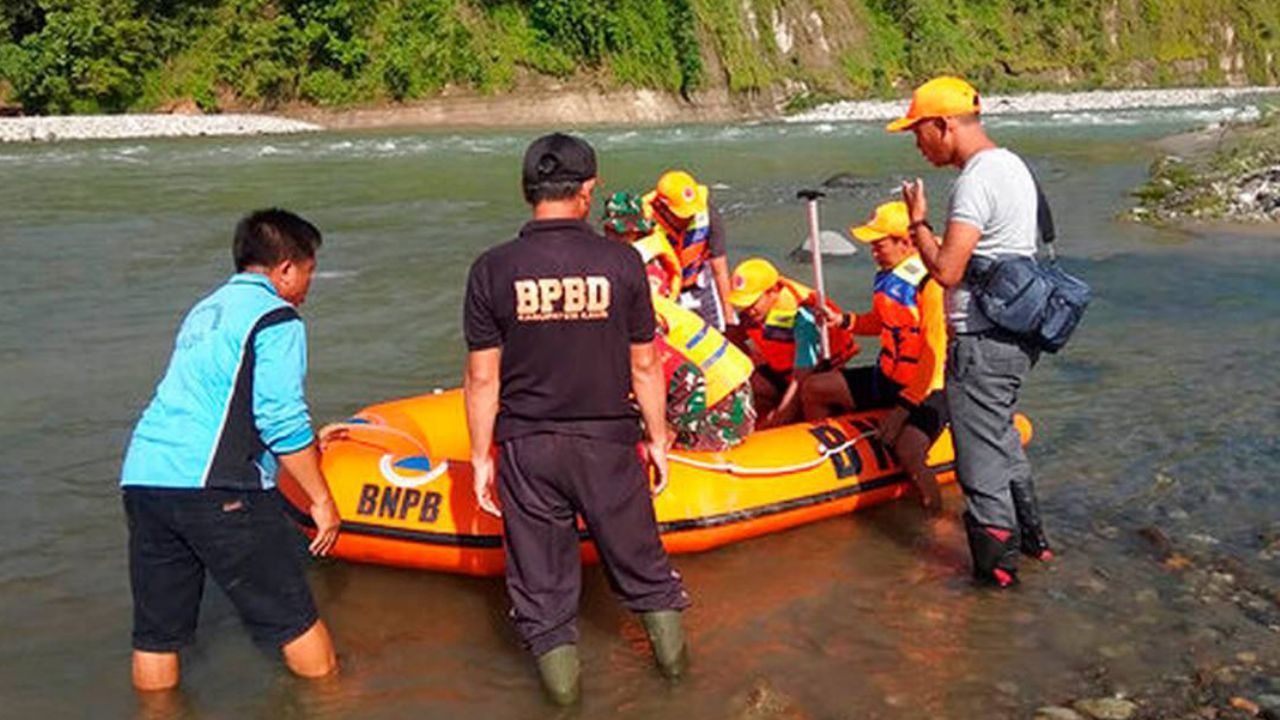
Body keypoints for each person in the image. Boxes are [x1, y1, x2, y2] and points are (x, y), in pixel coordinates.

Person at [463, 134, 690, 706]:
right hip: (607, 443)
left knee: (542, 594)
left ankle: (565, 706)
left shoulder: (492, 269)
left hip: (527, 446)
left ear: (526, 190)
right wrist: (658, 439)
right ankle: (683, 691)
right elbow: (645, 364)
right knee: (644, 570)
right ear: (588, 192)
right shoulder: (622, 263)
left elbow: (483, 378)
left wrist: (479, 456)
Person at [120, 209, 341, 691]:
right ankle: (335, 703)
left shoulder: (206, 309)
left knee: (157, 634)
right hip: (216, 486)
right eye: (309, 270)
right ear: (285, 269)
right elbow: (280, 417)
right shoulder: (278, 317)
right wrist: (322, 501)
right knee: (294, 617)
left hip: (144, 477)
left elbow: (214, 398)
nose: (309, 283)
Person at [888, 75, 1053, 587]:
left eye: (919, 131)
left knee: (979, 465)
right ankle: (1034, 545)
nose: (918, 143)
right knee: (1002, 440)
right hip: (1017, 334)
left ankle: (997, 580)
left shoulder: (977, 179)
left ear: (944, 125)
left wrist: (918, 225)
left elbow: (947, 271)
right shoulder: (1015, 166)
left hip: (982, 342)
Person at [800, 200, 949, 511]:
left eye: (879, 244)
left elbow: (935, 355)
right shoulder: (889, 274)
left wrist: (902, 411)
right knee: (815, 388)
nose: (873, 251)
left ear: (906, 242)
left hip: (928, 389)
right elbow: (882, 322)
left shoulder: (932, 284)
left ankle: (937, 518)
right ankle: (828, 472)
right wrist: (845, 321)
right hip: (888, 376)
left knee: (908, 451)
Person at [603, 192, 756, 451]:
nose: (612, 239)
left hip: (723, 413)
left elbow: (689, 378)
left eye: (619, 233)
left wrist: (661, 441)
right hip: (726, 392)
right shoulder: (648, 277)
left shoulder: (644, 307)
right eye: (611, 232)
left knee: (618, 427)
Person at [726, 258, 859, 429]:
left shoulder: (802, 316)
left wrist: (779, 418)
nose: (747, 310)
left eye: (752, 304)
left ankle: (810, 431)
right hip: (783, 372)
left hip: (813, 373)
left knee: (810, 391)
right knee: (749, 383)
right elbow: (734, 337)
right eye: (743, 304)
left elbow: (801, 376)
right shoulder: (754, 313)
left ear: (773, 292)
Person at [642, 170, 734, 330]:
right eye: (683, 214)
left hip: (701, 285)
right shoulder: (644, 223)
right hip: (666, 293)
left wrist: (729, 315)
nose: (690, 217)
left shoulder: (708, 213)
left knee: (721, 334)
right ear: (662, 207)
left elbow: (720, 269)